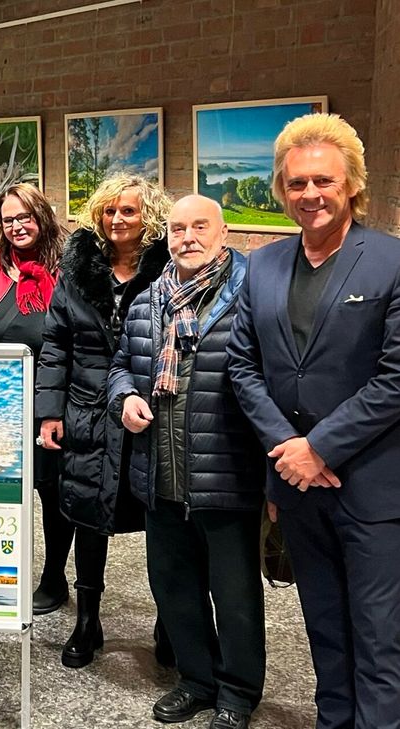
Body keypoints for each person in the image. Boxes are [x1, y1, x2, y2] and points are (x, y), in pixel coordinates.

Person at [228, 113, 400, 729]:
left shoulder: (390, 261)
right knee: (324, 630)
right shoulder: (263, 266)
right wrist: (288, 451)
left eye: (323, 181)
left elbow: (395, 378)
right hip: (297, 489)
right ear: (281, 189)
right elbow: (243, 367)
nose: (310, 195)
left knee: (380, 642)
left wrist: (320, 448)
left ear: (351, 182)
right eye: (296, 184)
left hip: (372, 490)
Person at [108, 195, 265, 729]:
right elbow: (119, 367)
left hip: (227, 478)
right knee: (174, 588)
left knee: (236, 596)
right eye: (178, 229)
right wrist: (124, 396)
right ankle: (196, 680)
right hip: (161, 478)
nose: (188, 237)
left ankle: (238, 694)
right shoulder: (148, 301)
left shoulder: (250, 297)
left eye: (200, 226)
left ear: (223, 233)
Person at [35, 175, 173, 667]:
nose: (118, 220)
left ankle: (170, 620)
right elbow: (55, 346)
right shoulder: (76, 272)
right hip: (86, 412)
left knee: (159, 521)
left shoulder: (168, 271)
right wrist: (49, 413)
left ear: (148, 217)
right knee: (88, 516)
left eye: (129, 212)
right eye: (110, 211)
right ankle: (87, 620)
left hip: (147, 414)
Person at [0, 182, 65, 611]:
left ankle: (54, 577)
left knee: (51, 492)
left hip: (46, 403)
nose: (16, 226)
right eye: (8, 220)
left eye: (24, 217)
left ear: (41, 216)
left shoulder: (64, 266)